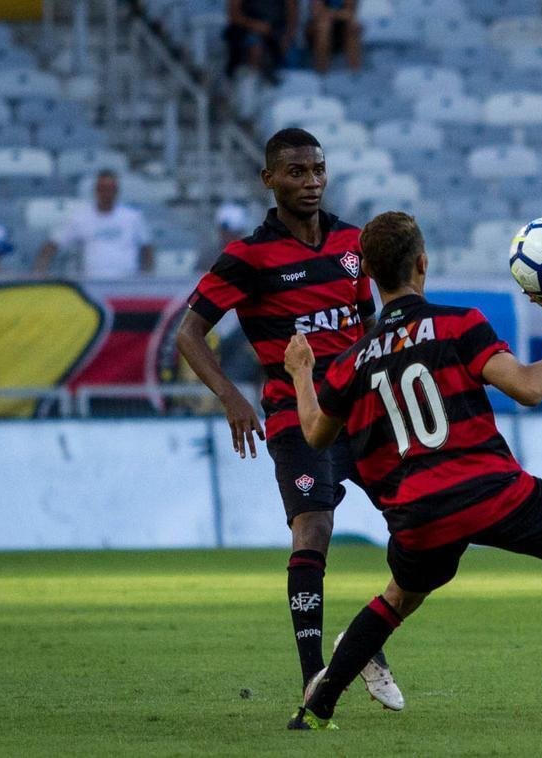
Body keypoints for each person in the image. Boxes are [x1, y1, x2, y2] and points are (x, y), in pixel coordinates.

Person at [282, 211, 542, 731]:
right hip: (491, 496)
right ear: (422, 264)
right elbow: (529, 387)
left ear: (369, 275)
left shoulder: (351, 362)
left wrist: (301, 373)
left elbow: (316, 434)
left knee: (397, 599)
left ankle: (315, 711)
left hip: (416, 517)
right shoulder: (459, 323)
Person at [174, 128, 404, 713]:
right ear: (269, 179)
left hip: (362, 413)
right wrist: (232, 397)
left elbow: (368, 326)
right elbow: (189, 333)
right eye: (296, 172)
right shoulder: (249, 257)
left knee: (421, 526)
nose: (310, 182)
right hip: (295, 415)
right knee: (314, 529)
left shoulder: (353, 244)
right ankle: (313, 677)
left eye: (317, 170)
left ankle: (361, 641)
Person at [34, 169, 154, 278]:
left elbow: (146, 249)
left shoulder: (133, 218)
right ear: (96, 191)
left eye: (110, 189)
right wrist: (40, 272)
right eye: (103, 189)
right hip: (93, 283)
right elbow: (52, 244)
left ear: (116, 191)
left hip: (127, 284)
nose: (107, 193)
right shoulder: (80, 218)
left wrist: (146, 278)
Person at [224, 0, 297, 81]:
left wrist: (287, 38)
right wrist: (255, 25)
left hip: (275, 33)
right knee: (254, 41)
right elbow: (233, 15)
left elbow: (292, 16)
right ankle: (250, 78)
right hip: (244, 30)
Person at [307, 0, 362, 73]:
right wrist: (339, 14)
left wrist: (330, 13)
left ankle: (355, 72)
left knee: (352, 26)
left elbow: (350, 13)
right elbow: (317, 12)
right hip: (319, 29)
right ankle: (321, 73)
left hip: (341, 29)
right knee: (324, 27)